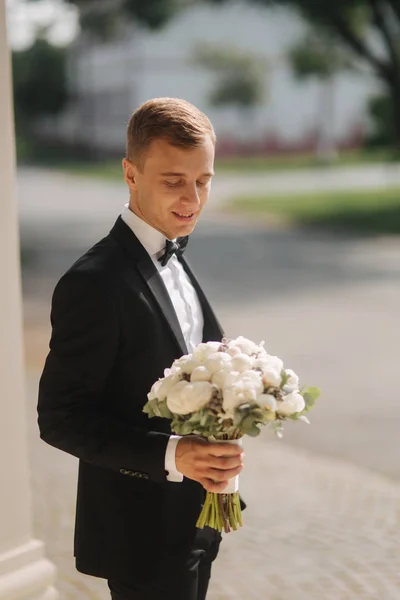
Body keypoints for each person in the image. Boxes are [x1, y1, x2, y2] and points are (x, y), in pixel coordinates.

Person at [37, 97, 245, 600]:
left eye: (204, 180)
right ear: (130, 174)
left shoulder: (175, 255)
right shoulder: (93, 283)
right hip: (141, 535)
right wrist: (175, 455)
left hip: (199, 521)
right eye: (173, 180)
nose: (192, 198)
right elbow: (59, 418)